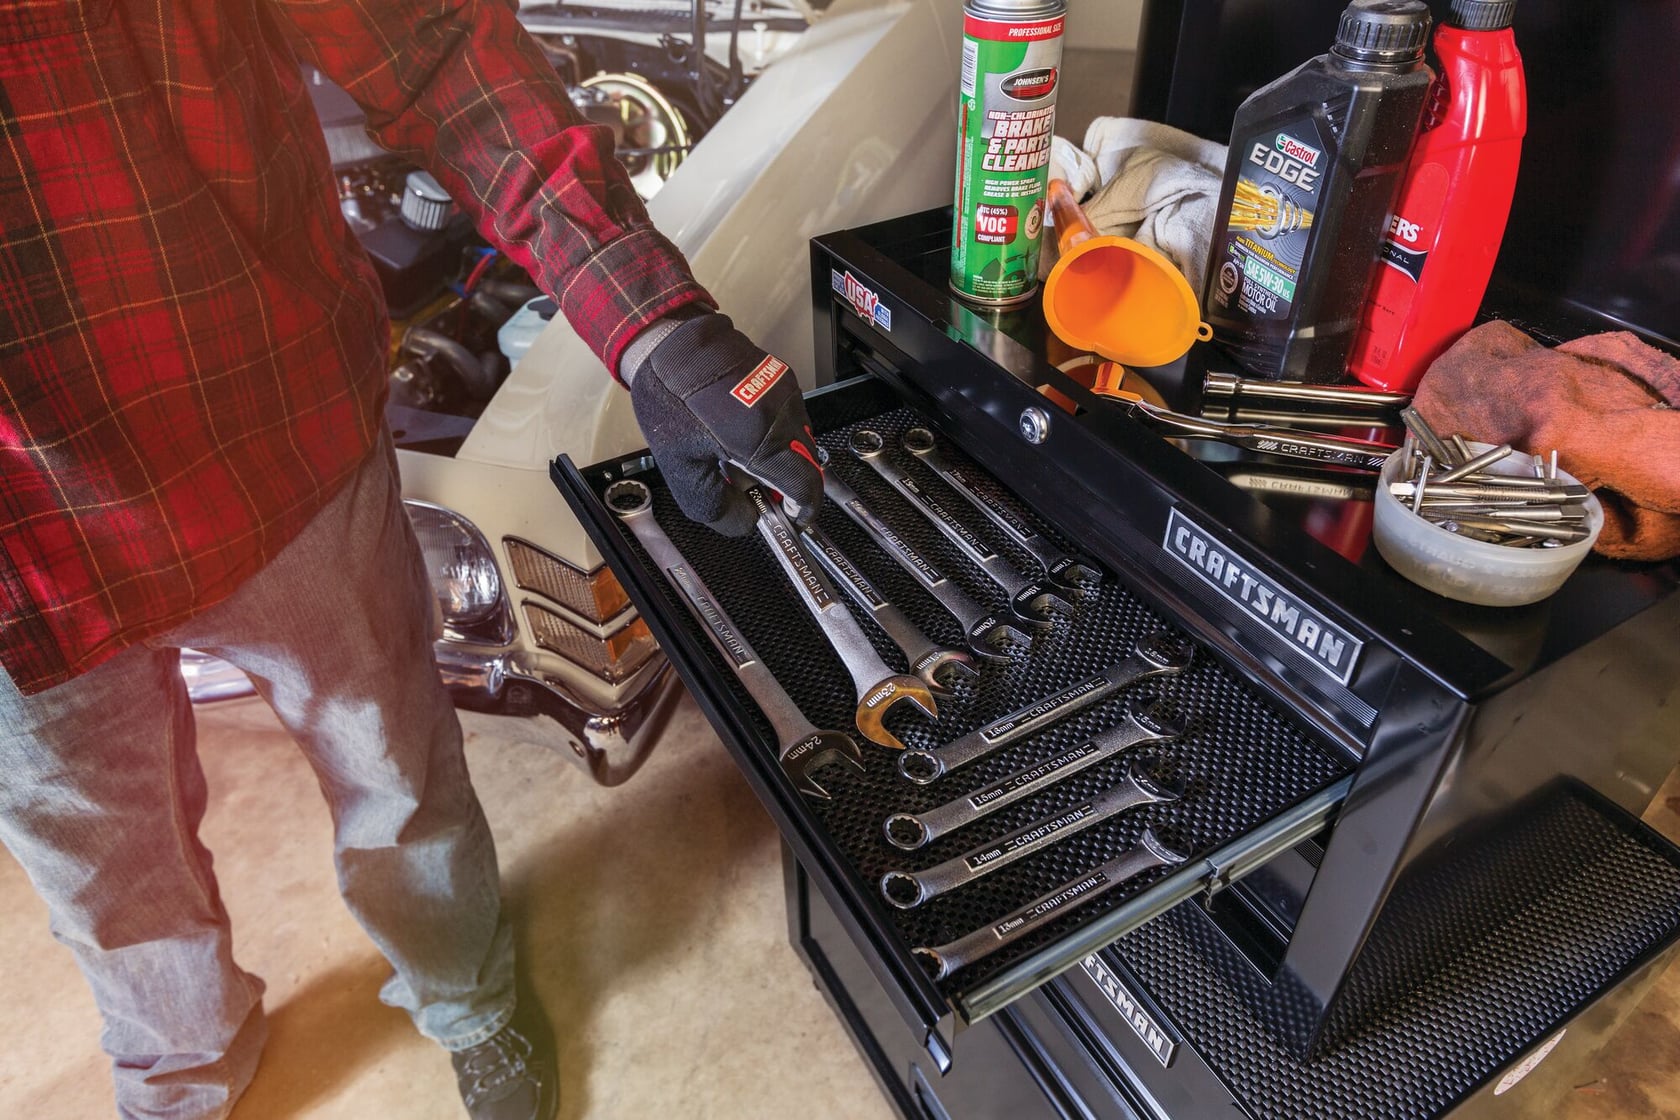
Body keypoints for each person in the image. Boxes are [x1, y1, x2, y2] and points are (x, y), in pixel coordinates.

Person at [0, 2, 823, 1119]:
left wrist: (658, 329)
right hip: (18, 569)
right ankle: (177, 1072)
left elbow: (437, 43)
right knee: (101, 874)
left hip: (265, 441)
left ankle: (466, 997)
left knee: (391, 771)